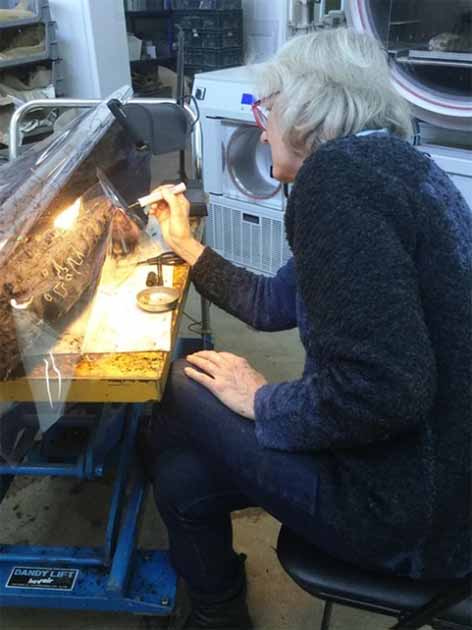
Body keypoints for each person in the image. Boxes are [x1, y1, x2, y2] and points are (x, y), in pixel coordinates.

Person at [140, 28, 472, 630]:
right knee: (182, 474)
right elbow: (272, 302)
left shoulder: (338, 184)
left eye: (265, 108)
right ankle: (218, 611)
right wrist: (186, 245)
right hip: (444, 494)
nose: (259, 125)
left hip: (404, 513)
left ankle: (201, 592)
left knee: (174, 385)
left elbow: (385, 389)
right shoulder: (394, 168)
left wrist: (263, 400)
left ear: (308, 111)